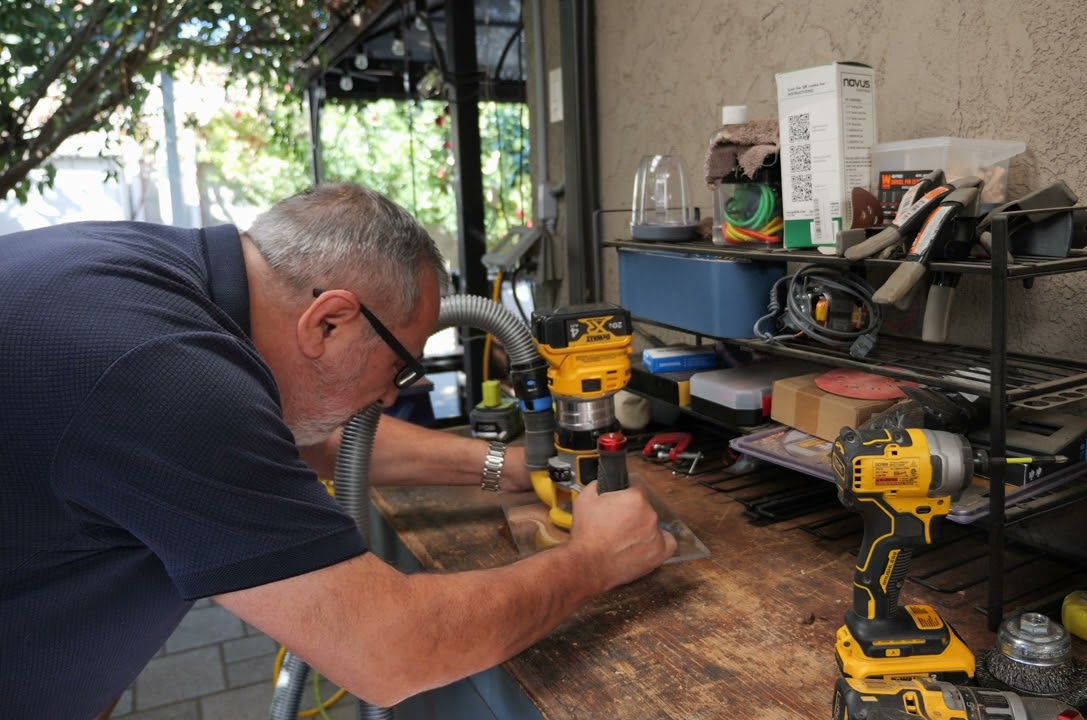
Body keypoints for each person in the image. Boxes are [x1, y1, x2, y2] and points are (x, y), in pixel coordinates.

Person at [0, 183, 677, 717]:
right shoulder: (166, 374)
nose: (388, 399)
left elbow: (296, 442)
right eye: (399, 369)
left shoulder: (160, 277)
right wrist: (595, 559)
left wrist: (501, 467)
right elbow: (388, 652)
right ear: (329, 321)